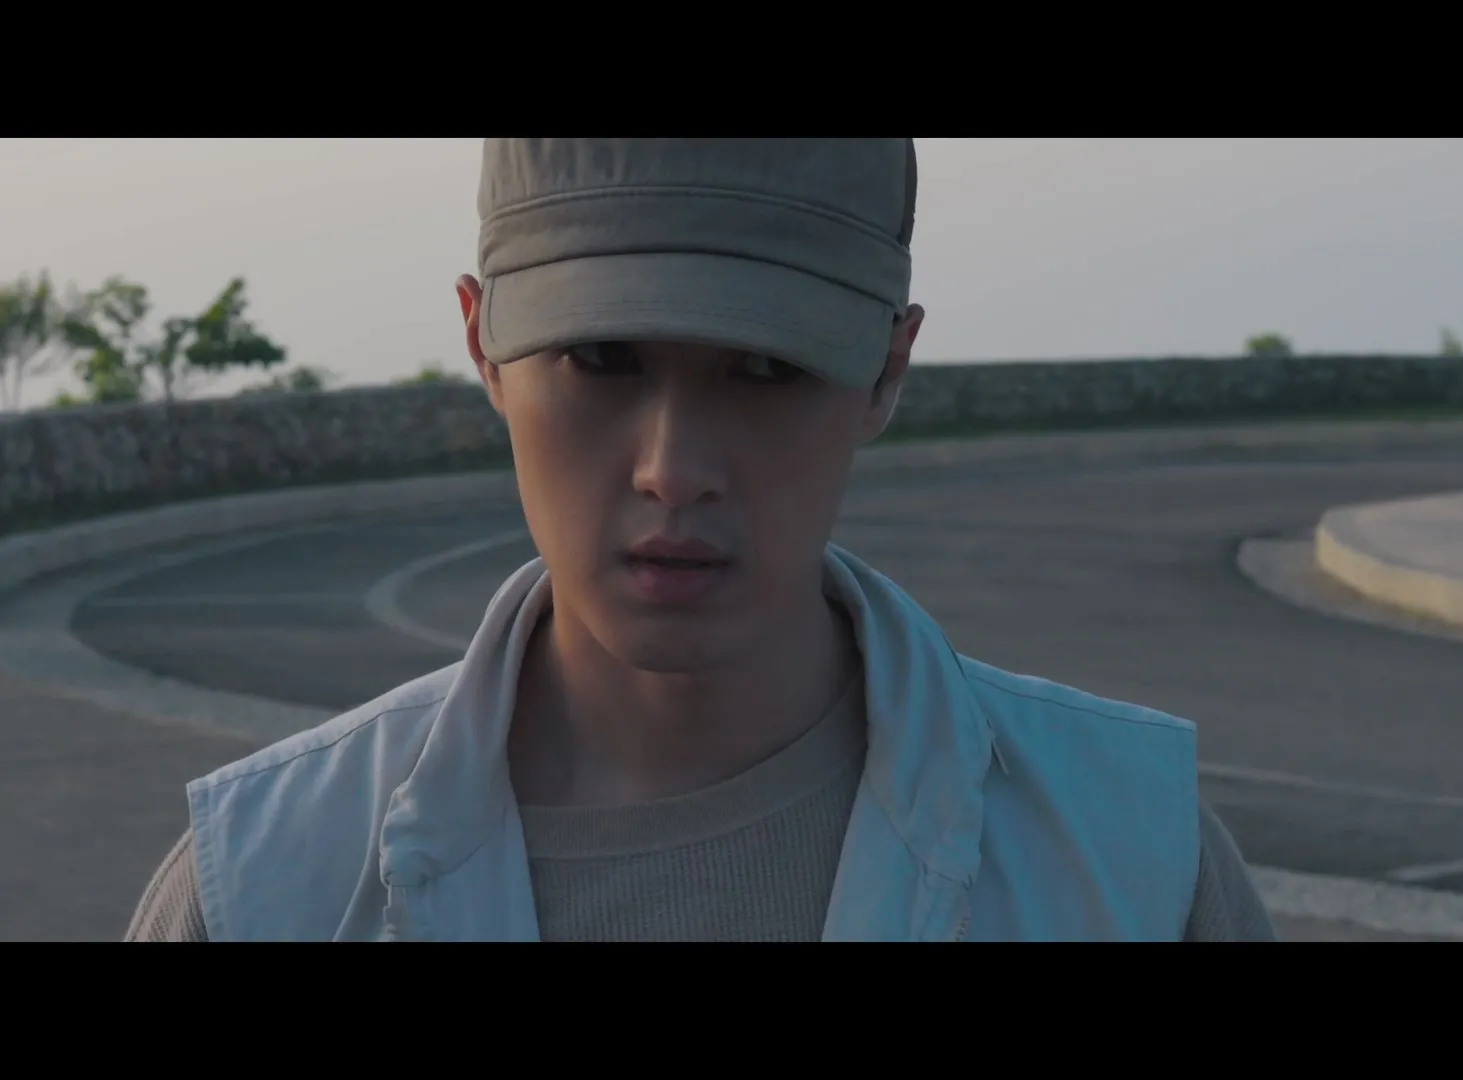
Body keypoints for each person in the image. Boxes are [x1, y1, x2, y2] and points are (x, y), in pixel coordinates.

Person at [125, 138, 1276, 941]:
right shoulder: (264, 889)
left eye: (766, 368)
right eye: (602, 358)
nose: (672, 470)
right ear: (483, 345)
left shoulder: (1135, 869)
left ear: (887, 370)